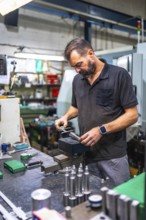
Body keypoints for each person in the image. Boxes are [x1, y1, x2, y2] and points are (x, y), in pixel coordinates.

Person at [55, 38, 138, 187]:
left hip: (113, 158)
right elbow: (76, 106)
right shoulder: (77, 80)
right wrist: (66, 116)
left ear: (90, 53)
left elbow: (132, 115)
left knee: (117, 203)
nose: (78, 70)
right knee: (92, 203)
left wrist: (101, 130)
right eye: (74, 67)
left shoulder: (119, 75)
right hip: (87, 155)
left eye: (79, 64)